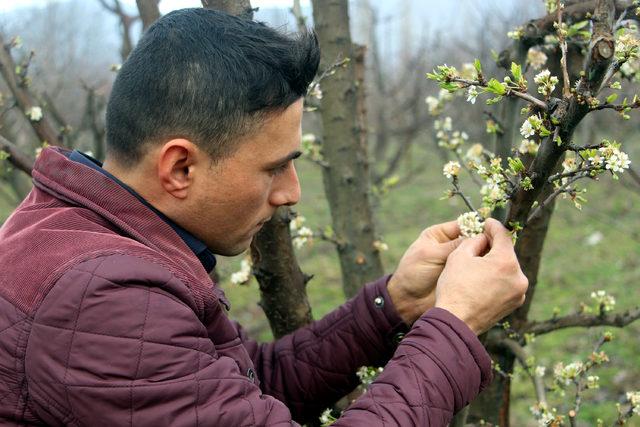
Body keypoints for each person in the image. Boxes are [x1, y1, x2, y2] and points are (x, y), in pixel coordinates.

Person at [0, 8, 528, 426]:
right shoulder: (102, 302)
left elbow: (248, 384)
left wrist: (393, 305)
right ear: (180, 166)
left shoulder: (85, 233)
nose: (291, 194)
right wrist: (455, 325)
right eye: (274, 169)